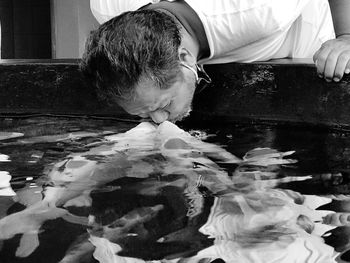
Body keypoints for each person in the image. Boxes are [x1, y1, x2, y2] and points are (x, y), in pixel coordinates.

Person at [81, 0, 350, 124]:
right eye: (142, 114)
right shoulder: (107, 7)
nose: (159, 121)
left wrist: (346, 36)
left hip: (299, 47)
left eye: (162, 106)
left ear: (184, 59)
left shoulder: (263, 9)